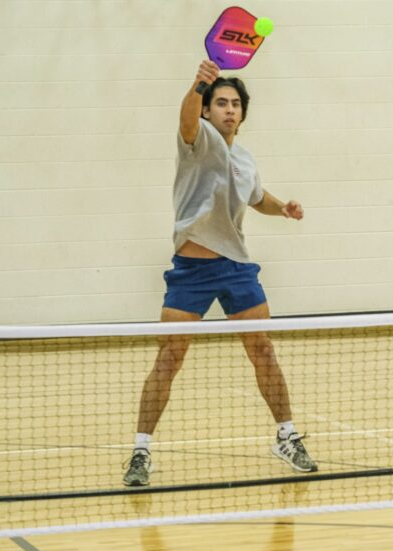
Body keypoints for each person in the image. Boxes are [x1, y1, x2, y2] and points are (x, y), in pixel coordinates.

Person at [123, 61, 317, 487]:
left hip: (235, 268)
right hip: (191, 270)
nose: (228, 109)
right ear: (208, 111)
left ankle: (286, 436)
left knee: (262, 350)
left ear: (242, 114)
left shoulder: (244, 159)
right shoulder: (198, 140)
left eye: (235, 104)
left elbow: (256, 197)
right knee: (169, 358)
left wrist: (282, 207)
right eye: (220, 103)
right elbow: (185, 118)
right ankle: (140, 450)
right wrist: (199, 84)